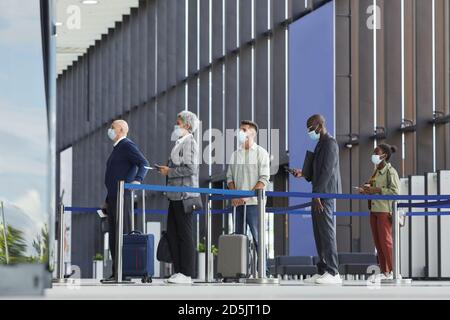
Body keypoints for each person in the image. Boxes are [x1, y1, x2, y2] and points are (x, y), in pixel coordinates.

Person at [292, 114, 342, 285]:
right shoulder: (320, 144)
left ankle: (334, 272)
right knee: (319, 234)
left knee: (327, 233)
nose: (309, 131)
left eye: (311, 128)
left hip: (324, 195)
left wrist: (318, 195)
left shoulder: (330, 143)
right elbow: (318, 171)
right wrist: (303, 173)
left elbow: (327, 171)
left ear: (320, 125)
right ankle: (322, 270)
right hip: (318, 194)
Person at [102, 119, 150, 282]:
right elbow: (113, 176)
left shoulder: (127, 145)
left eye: (113, 127)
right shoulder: (117, 149)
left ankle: (123, 272)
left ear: (121, 130)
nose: (110, 130)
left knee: (120, 234)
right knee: (114, 235)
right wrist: (107, 199)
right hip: (114, 197)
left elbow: (144, 163)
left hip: (123, 197)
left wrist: (138, 180)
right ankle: (117, 273)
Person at [156, 110, 200, 285]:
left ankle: (187, 273)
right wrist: (166, 170)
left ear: (187, 126)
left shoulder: (190, 143)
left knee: (184, 234)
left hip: (184, 195)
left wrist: (170, 172)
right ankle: (179, 271)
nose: (176, 126)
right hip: (174, 195)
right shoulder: (179, 143)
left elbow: (191, 169)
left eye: (179, 123)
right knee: (173, 234)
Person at [226, 120, 271, 275]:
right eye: (240, 129)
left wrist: (245, 197)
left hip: (254, 204)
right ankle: (240, 271)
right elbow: (229, 178)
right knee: (239, 239)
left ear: (252, 133)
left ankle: (263, 271)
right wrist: (234, 195)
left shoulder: (261, 153)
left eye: (244, 129)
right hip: (237, 204)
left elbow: (264, 179)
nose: (240, 132)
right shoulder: (234, 154)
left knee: (258, 238)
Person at [357, 143, 400, 282]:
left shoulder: (390, 171)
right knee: (378, 242)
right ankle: (384, 270)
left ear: (384, 156)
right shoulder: (375, 171)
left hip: (384, 211)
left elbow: (395, 192)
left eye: (377, 153)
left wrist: (378, 190)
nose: (374, 155)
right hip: (374, 210)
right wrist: (366, 190)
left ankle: (393, 271)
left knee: (386, 241)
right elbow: (373, 189)